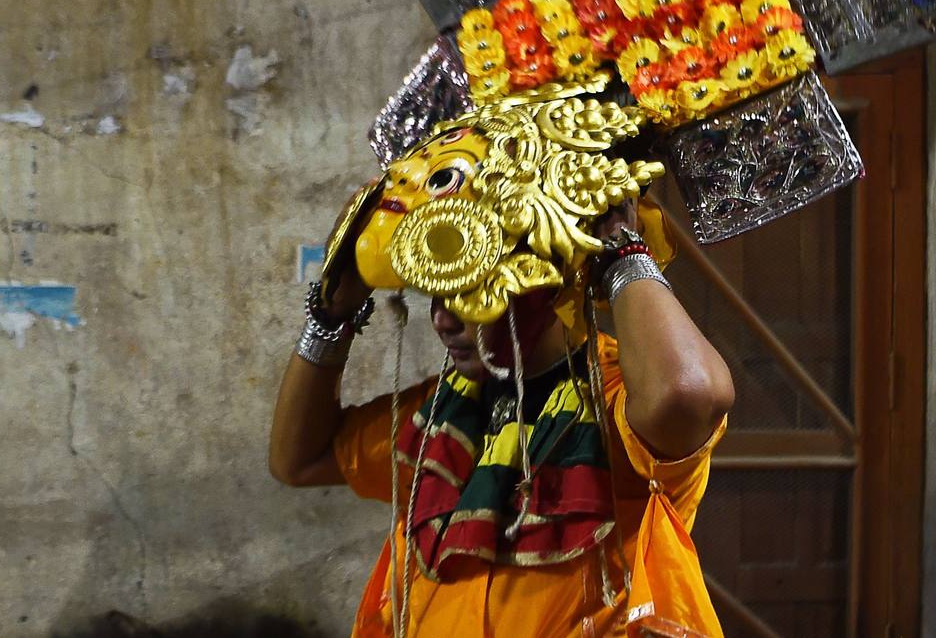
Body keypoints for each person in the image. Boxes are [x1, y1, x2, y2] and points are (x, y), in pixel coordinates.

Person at [269, 199, 734, 637]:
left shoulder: (615, 399)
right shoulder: (443, 413)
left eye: (469, 291)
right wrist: (332, 316)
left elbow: (689, 393)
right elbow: (300, 460)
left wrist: (622, 251)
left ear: (544, 280)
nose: (442, 320)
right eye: (436, 293)